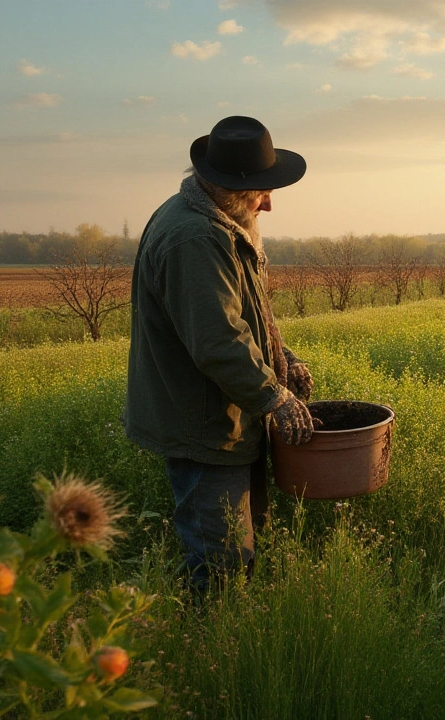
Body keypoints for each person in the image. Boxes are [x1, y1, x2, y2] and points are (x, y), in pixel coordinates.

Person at [123, 116, 315, 590]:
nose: (268, 204)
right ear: (229, 191)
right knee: (221, 557)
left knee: (241, 544)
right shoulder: (195, 239)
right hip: (204, 426)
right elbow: (218, 341)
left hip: (227, 417)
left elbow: (245, 312)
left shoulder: (218, 223)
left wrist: (282, 356)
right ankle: (209, 645)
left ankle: (229, 633)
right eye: (260, 193)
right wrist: (275, 397)